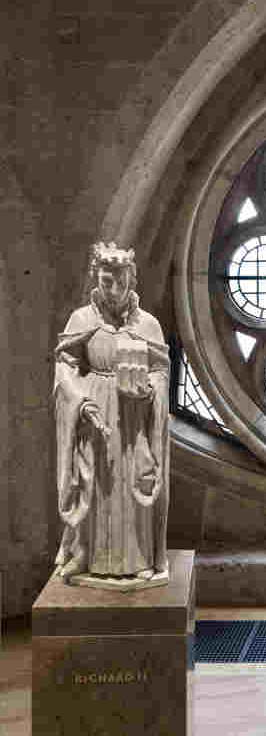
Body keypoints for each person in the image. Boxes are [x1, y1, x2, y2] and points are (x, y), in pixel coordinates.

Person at [54, 242, 170, 583]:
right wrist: (80, 402)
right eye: (107, 282)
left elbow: (160, 371)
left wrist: (149, 391)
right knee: (92, 482)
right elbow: (65, 366)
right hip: (94, 414)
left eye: (121, 282)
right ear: (97, 279)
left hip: (134, 417)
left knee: (134, 481)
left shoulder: (148, 324)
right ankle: (84, 554)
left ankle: (138, 558)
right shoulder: (82, 320)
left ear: (132, 280)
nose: (114, 290)